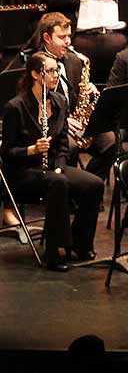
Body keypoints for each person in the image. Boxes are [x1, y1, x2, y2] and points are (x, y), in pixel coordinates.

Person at [1, 52, 103, 271]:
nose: (56, 75)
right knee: (59, 183)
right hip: (23, 172)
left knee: (94, 184)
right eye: (50, 71)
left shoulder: (59, 101)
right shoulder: (15, 107)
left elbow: (63, 145)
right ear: (35, 74)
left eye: (57, 70)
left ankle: (80, 244)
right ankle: (54, 252)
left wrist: (59, 166)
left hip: (52, 168)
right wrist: (31, 149)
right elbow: (7, 153)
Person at [9, 12, 118, 180]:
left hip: (76, 122)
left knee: (110, 140)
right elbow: (30, 106)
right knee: (69, 147)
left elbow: (76, 96)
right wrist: (64, 120)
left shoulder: (74, 60)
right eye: (62, 37)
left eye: (69, 36)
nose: (68, 41)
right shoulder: (34, 64)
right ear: (47, 38)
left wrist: (88, 90)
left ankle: (90, 182)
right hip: (50, 127)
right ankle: (68, 187)